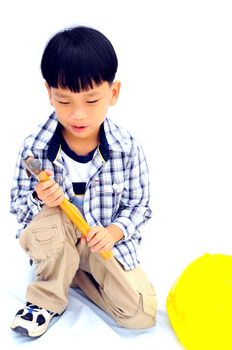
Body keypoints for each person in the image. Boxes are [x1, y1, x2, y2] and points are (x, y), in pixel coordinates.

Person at [10, 25, 157, 338]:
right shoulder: (34, 147)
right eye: (64, 101)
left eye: (91, 101)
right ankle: (46, 298)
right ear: (49, 93)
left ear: (113, 93)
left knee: (139, 316)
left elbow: (140, 205)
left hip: (100, 242)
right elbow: (18, 210)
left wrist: (114, 232)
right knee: (50, 213)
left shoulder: (126, 148)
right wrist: (39, 198)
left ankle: (73, 273)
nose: (78, 115)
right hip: (56, 239)